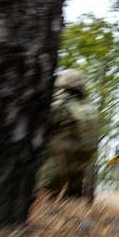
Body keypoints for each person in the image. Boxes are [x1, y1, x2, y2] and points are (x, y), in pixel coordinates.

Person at [37, 69, 100, 200]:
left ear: (63, 85)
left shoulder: (59, 105)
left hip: (55, 167)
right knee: (71, 201)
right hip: (80, 169)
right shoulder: (90, 109)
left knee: (45, 200)